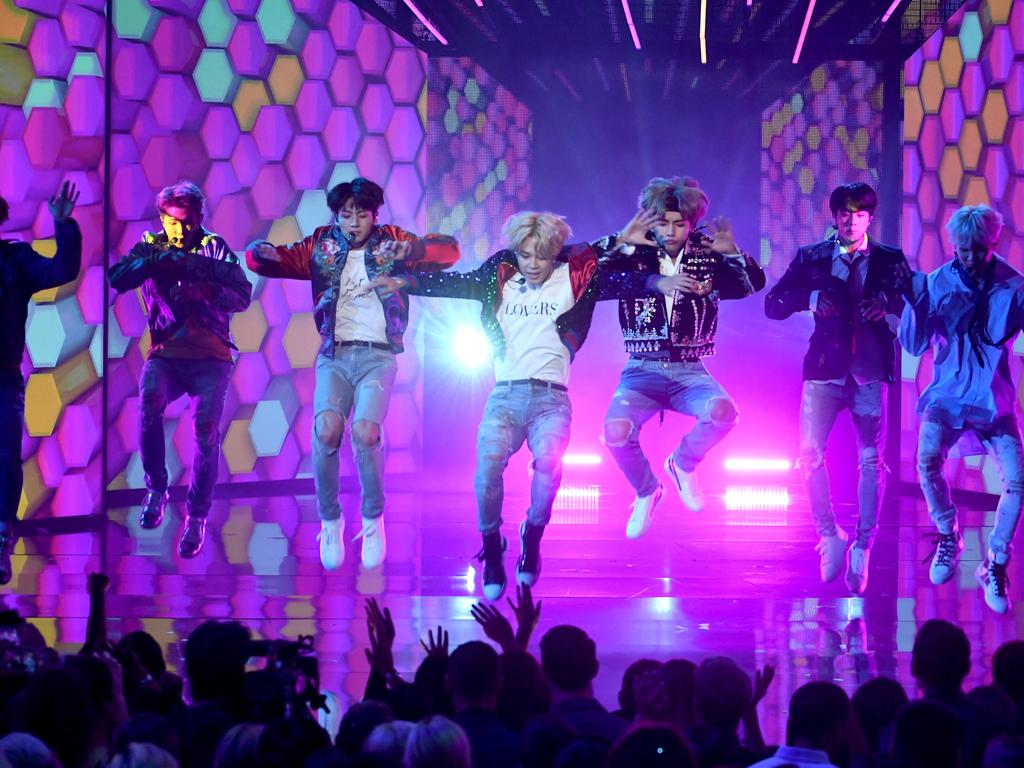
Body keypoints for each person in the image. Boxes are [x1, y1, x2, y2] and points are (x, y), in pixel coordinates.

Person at [370, 210, 674, 598]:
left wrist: (641, 264)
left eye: (542, 257)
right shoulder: (500, 277)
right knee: (487, 467)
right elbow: (454, 283)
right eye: (526, 255)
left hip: (552, 399)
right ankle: (492, 544)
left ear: (554, 255)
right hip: (505, 396)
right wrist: (405, 280)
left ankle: (532, 535)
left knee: (549, 464)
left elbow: (610, 271)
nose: (532, 264)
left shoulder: (575, 279)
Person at [246, 178, 458, 571]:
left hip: (378, 357)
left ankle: (373, 519)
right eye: (345, 215)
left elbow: (449, 253)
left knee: (365, 431)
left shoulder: (391, 241)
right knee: (326, 428)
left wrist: (411, 249)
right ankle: (330, 521)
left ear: (375, 215)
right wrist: (257, 254)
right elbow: (270, 259)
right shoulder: (322, 244)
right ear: (337, 216)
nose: (353, 222)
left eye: (361, 215)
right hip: (335, 356)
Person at [596, 176, 765, 538]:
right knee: (615, 433)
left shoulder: (706, 251)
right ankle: (647, 491)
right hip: (642, 369)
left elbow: (753, 284)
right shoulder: (634, 252)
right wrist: (624, 249)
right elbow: (591, 280)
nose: (670, 231)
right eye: (663, 223)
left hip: (690, 370)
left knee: (724, 412)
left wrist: (734, 254)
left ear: (691, 223)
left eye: (679, 223)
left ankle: (682, 463)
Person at [764, 182, 909, 594]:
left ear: (869, 218)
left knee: (870, 461)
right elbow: (773, 304)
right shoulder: (813, 257)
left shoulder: (889, 259)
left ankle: (864, 544)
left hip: (869, 369)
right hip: (824, 370)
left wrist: (888, 306)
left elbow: (917, 303)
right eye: (844, 213)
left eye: (858, 214)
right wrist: (809, 297)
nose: (850, 220)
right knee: (808, 455)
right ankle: (829, 535)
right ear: (833, 216)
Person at [109, 181, 252, 559]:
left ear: (199, 219)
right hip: (167, 354)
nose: (179, 230)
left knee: (206, 429)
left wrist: (206, 288)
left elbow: (243, 294)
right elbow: (118, 277)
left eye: (186, 223)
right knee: (149, 399)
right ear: (161, 219)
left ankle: (197, 517)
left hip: (211, 356)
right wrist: (152, 262)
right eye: (171, 222)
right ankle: (156, 487)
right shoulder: (152, 245)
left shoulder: (214, 248)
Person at [900, 205, 1024, 613]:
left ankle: (995, 562)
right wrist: (915, 305)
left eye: (978, 249)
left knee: (1018, 482)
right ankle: (947, 533)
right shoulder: (936, 283)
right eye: (963, 249)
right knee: (927, 459)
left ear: (994, 243)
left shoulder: (1013, 286)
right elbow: (914, 346)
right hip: (948, 395)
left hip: (993, 400)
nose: (969, 257)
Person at [0, 182, 81, 584]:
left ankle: (2, 536)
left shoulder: (14, 260)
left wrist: (63, 225)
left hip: (3, 379)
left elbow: (61, 270)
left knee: (4, 461)